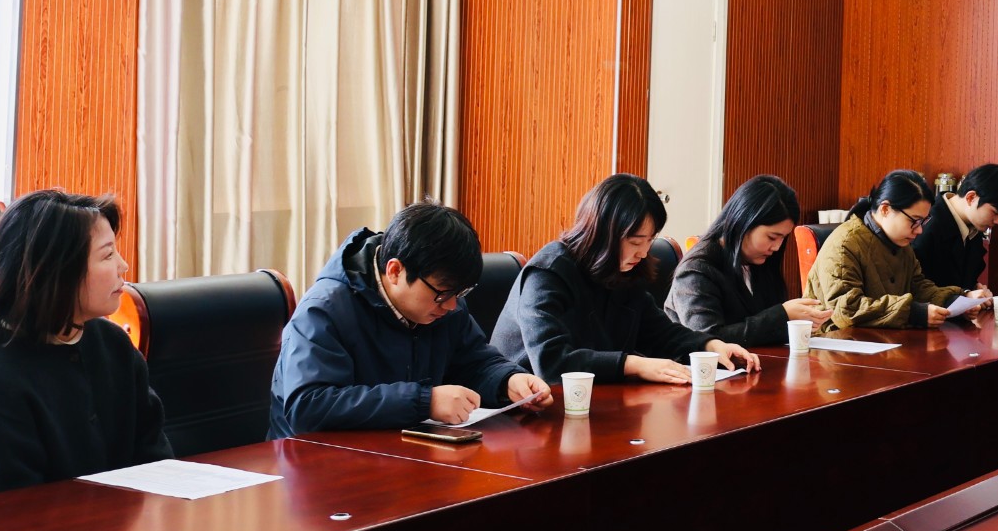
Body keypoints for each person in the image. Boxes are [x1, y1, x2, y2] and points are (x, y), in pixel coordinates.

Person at [0, 190, 174, 508]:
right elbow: (9, 524)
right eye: (108, 255)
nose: (124, 266)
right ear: (56, 271)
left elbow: (155, 464)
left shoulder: (111, 344)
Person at [268, 201, 550, 438]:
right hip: (317, 471)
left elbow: (474, 362)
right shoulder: (324, 310)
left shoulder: (442, 302)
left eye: (459, 293)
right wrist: (425, 402)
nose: (452, 305)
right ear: (395, 271)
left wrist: (509, 381)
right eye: (442, 293)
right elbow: (308, 407)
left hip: (400, 456)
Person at [492, 175, 761, 385]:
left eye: (649, 241)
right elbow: (551, 362)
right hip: (526, 407)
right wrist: (636, 365)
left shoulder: (625, 270)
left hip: (593, 402)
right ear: (602, 234)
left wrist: (710, 345)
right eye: (635, 242)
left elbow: (659, 332)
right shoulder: (548, 273)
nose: (643, 253)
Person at [666, 174, 833, 347]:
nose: (776, 247)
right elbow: (709, 338)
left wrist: (800, 323)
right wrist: (783, 316)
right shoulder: (696, 270)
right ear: (743, 222)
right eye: (771, 237)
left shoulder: (760, 262)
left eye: (783, 238)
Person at [807, 169, 985, 329]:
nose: (920, 230)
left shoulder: (900, 242)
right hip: (837, 345)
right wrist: (913, 313)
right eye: (914, 221)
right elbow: (847, 309)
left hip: (883, 340)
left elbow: (918, 287)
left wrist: (953, 303)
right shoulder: (844, 244)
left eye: (923, 221)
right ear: (885, 209)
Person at [911, 163, 998, 291]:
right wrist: (964, 295)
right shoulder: (926, 226)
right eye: (995, 212)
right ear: (971, 198)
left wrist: (974, 290)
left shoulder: (972, 228)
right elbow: (917, 288)